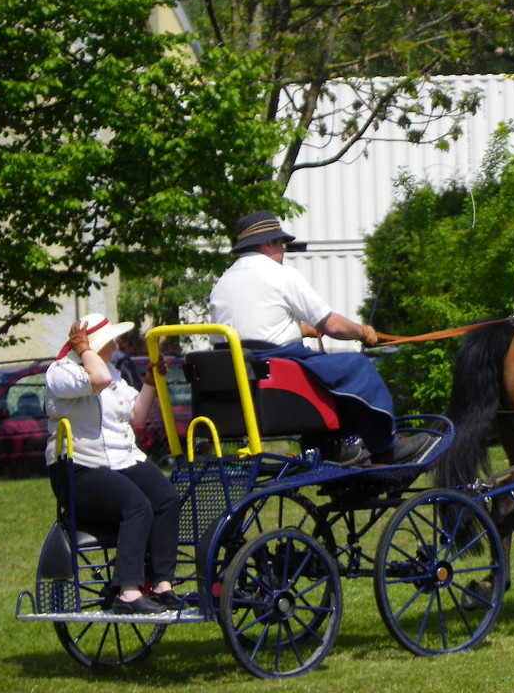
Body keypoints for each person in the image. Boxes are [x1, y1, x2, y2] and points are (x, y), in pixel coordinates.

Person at [209, 210, 431, 465]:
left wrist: (301, 329)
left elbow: (252, 331)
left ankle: (330, 447)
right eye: (281, 244)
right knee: (355, 366)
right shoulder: (280, 275)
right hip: (274, 367)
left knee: (320, 369)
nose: (284, 251)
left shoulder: (223, 282)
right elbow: (333, 325)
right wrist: (362, 331)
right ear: (268, 244)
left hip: (235, 372)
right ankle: (385, 447)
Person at [45, 313, 182, 614]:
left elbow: (137, 417)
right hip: (78, 467)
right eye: (110, 341)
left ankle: (162, 585)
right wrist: (83, 349)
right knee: (136, 505)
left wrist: (150, 381)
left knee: (167, 499)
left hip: (118, 460)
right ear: (93, 345)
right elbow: (98, 380)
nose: (116, 345)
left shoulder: (111, 371)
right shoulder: (61, 372)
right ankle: (128, 592)